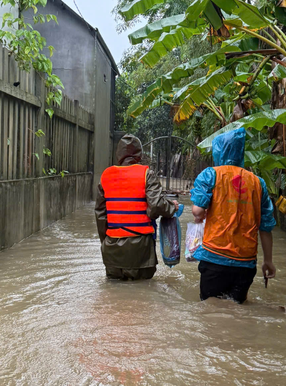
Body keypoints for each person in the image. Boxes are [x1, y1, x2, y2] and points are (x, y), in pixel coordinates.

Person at [190, 128, 276, 303]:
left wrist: (201, 213)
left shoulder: (211, 174)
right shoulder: (258, 183)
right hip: (245, 263)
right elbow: (266, 227)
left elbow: (198, 211)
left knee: (210, 312)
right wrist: (268, 261)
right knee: (237, 308)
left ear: (218, 151)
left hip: (215, 258)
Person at [95, 134, 179, 281]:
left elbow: (101, 216)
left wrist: (107, 243)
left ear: (118, 154)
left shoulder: (105, 176)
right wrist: (172, 207)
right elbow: (156, 206)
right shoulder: (147, 174)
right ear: (139, 155)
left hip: (112, 251)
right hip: (140, 250)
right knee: (143, 293)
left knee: (113, 296)